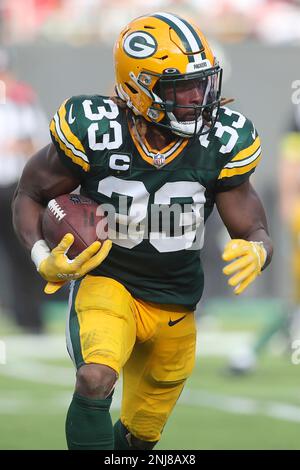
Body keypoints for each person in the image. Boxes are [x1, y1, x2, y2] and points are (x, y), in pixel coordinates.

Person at [12, 12, 273, 450]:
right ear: (138, 87)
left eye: (202, 83)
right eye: (181, 88)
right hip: (108, 282)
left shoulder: (222, 139)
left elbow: (253, 225)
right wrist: (43, 255)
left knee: (140, 438)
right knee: (95, 378)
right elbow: (29, 193)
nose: (197, 97)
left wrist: (258, 250)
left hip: (176, 298)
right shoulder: (97, 128)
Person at [0, 48, 49, 333]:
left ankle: (30, 318)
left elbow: (38, 144)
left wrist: (18, 146)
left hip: (13, 186)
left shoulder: (22, 103)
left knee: (26, 251)